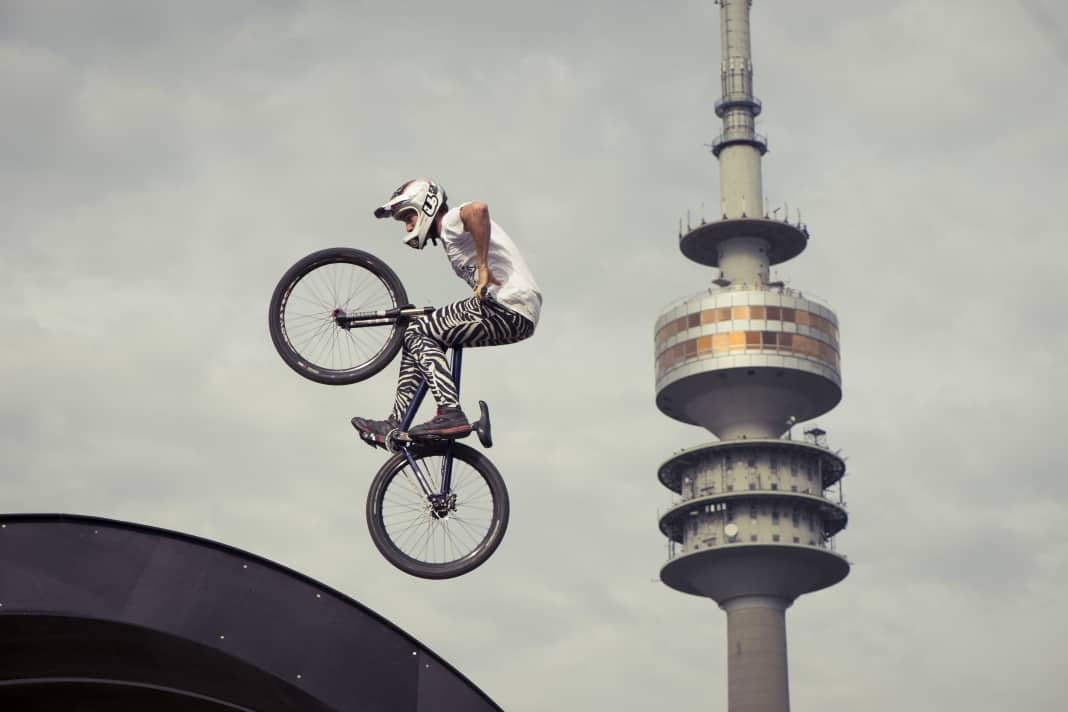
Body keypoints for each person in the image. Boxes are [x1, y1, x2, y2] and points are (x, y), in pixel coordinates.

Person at [351, 179, 541, 446]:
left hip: (506, 305)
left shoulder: (451, 222)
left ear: (426, 205)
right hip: (517, 314)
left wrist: (483, 266)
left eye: (408, 217)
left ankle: (450, 411)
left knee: (418, 332)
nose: (408, 227)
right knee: (420, 335)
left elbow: (478, 210)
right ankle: (397, 422)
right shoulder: (451, 241)